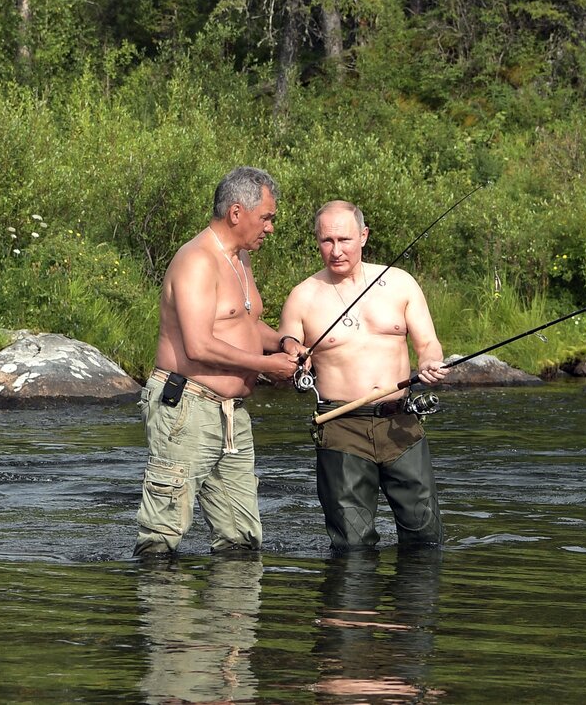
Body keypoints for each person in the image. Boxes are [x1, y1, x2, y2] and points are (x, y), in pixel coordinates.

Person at [134, 166, 299, 556]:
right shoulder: (196, 261)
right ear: (237, 213)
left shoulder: (239, 259)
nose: (270, 228)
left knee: (242, 539)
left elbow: (245, 323)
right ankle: (163, 614)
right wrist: (266, 366)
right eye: (267, 218)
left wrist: (284, 342)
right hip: (186, 408)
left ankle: (233, 615)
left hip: (232, 415)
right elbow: (199, 345)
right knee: (163, 536)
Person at [278, 200, 448, 550]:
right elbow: (289, 348)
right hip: (341, 427)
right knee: (352, 545)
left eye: (345, 240)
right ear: (317, 241)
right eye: (327, 241)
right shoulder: (303, 296)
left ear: (364, 236)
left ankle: (414, 606)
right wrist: (297, 360)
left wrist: (430, 362)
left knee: (426, 537)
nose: (336, 251)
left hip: (401, 424)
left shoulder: (399, 283)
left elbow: (428, 342)